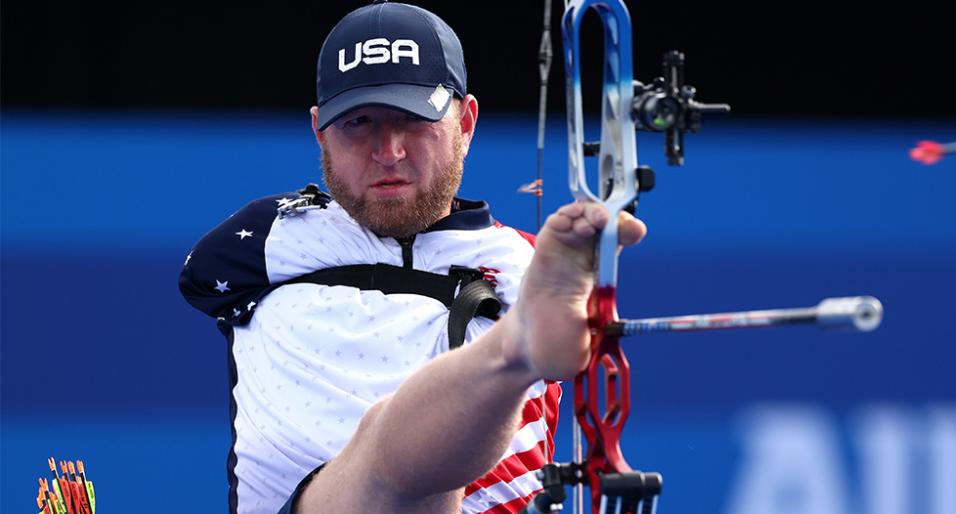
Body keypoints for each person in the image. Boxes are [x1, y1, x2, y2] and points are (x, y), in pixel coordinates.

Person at [178, 2, 647, 513]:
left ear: (466, 122)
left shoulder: (530, 264)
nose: (388, 151)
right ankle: (514, 348)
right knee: (386, 453)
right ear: (319, 131)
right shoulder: (266, 240)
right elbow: (199, 279)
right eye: (358, 123)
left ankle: (516, 350)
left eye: (412, 120)